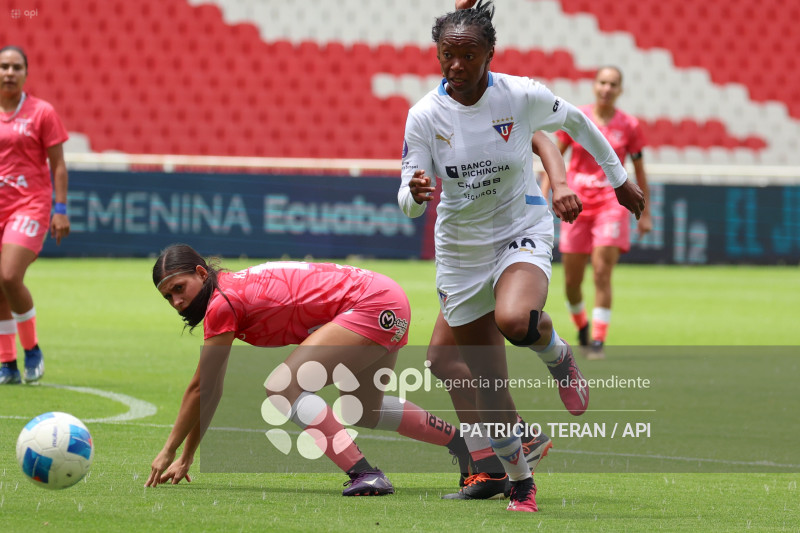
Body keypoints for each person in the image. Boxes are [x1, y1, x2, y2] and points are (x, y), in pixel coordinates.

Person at [398, 1, 644, 512]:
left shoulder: (519, 94)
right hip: (461, 250)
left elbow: (575, 123)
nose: (457, 65)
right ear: (438, 55)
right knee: (486, 379)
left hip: (519, 228)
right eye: (448, 55)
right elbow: (407, 195)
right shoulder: (423, 115)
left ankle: (559, 356)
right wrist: (414, 194)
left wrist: (619, 180)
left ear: (490, 54)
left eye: (469, 54)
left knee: (514, 319)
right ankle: (520, 481)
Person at [145, 244, 471, 496]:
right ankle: (465, 447)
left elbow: (201, 387)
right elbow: (211, 389)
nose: (176, 302)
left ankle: (364, 474)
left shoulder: (221, 303)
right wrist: (187, 456)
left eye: (179, 288)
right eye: (167, 297)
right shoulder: (229, 290)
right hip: (386, 296)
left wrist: (168, 450)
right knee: (364, 409)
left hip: (368, 304)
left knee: (282, 388)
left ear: (202, 274)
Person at [431, 132, 583, 500]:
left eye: (466, 67)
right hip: (467, 249)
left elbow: (543, 139)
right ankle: (500, 461)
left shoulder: (500, 101)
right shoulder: (435, 114)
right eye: (450, 68)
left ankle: (503, 461)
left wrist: (560, 184)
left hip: (511, 237)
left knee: (511, 330)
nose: (456, 70)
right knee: (441, 360)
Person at [540, 66, 651, 360]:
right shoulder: (577, 117)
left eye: (613, 84)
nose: (607, 88)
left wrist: (646, 212)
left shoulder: (630, 125)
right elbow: (554, 155)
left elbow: (639, 170)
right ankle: (583, 327)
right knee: (572, 282)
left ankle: (599, 341)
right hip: (576, 204)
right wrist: (542, 195)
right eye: (602, 82)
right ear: (594, 86)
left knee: (602, 272)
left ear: (620, 90)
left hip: (610, 204)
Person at [0, 45, 70, 385]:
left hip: (30, 204)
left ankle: (32, 349)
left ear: (26, 73)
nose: (9, 72)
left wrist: (61, 209)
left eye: (16, 67)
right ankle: (7, 363)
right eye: (3, 67)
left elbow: (57, 165)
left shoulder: (42, 112)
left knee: (10, 276)